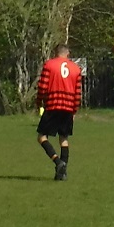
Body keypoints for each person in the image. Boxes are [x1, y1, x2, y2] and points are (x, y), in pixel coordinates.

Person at [35, 43, 83, 181]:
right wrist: (74, 111)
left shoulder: (49, 65)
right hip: (68, 107)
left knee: (42, 137)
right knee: (64, 139)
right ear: (67, 53)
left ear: (56, 53)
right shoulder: (76, 68)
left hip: (52, 105)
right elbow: (78, 93)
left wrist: (39, 103)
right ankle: (62, 173)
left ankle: (58, 162)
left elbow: (42, 87)